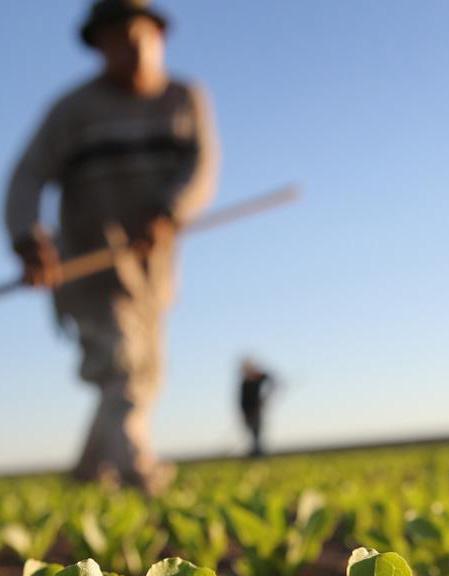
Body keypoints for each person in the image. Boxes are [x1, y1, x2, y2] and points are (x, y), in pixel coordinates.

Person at [4, 0, 219, 493]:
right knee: (120, 361)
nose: (132, 48)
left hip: (153, 266)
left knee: (144, 370)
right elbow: (27, 176)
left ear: (159, 36)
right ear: (99, 46)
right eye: (117, 38)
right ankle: (137, 472)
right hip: (89, 261)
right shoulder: (72, 111)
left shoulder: (185, 99)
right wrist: (26, 238)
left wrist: (170, 211)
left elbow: (201, 167)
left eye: (139, 35)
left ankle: (87, 473)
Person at [240, 360, 274, 457]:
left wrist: (265, 398)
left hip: (256, 410)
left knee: (257, 432)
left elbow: (270, 379)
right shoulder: (245, 383)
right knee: (252, 433)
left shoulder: (257, 378)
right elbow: (242, 401)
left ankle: (258, 452)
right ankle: (255, 451)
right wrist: (245, 413)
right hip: (248, 412)